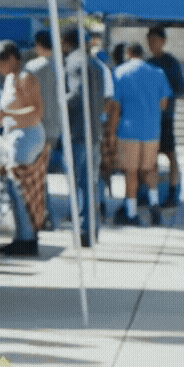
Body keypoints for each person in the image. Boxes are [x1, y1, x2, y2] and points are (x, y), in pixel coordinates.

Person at [0, 40, 44, 257]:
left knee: (20, 189)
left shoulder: (26, 77)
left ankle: (27, 238)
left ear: (11, 59)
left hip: (27, 136)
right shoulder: (11, 79)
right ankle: (22, 236)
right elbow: (6, 114)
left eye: (0, 64)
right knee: (13, 189)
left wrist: (6, 116)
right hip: (15, 136)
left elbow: (36, 112)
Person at [62, 26, 118, 247]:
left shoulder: (74, 62)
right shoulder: (96, 64)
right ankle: (91, 228)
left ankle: (82, 228)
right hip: (94, 131)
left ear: (66, 42)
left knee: (77, 183)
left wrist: (56, 105)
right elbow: (105, 101)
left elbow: (75, 96)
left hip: (77, 131)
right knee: (90, 183)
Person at [111, 42, 172, 227]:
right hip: (152, 128)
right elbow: (164, 103)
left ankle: (131, 213)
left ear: (128, 53)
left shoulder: (120, 73)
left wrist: (112, 132)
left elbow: (115, 106)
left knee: (130, 172)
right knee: (150, 168)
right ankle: (154, 205)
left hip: (128, 129)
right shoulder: (158, 73)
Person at [145, 25, 184, 208]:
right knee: (150, 158)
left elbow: (182, 89)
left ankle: (173, 191)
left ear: (163, 42)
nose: (152, 44)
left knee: (171, 155)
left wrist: (164, 92)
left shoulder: (171, 63)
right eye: (149, 41)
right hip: (149, 117)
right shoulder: (147, 64)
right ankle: (150, 193)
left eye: (155, 40)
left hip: (166, 117)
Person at [27, 31, 64, 174]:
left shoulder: (32, 67)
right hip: (54, 127)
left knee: (33, 171)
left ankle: (40, 196)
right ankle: (44, 196)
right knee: (43, 167)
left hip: (35, 125)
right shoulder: (61, 66)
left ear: (39, 44)